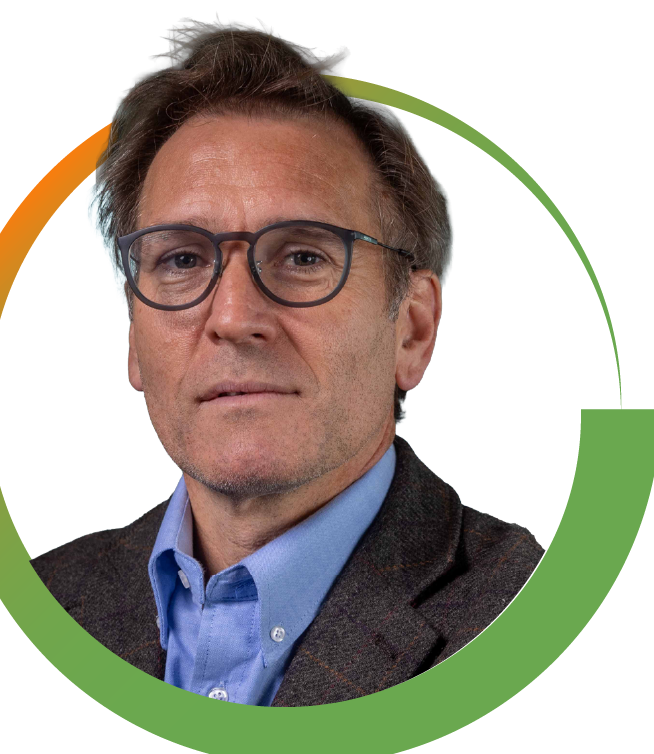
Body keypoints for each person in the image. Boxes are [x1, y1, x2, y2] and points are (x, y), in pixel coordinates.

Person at [31, 15, 544, 707]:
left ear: (413, 329)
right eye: (181, 260)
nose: (233, 317)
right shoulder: (32, 606)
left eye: (303, 256)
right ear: (134, 335)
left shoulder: (542, 623)